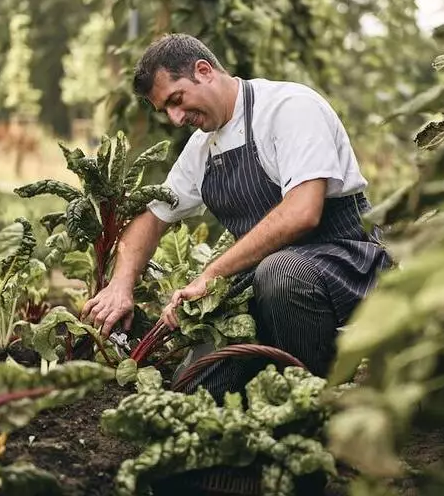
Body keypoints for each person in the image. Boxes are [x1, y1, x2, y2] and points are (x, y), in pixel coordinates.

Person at [81, 33, 391, 400]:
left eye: (176, 100)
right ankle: (270, 385)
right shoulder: (201, 148)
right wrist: (120, 285)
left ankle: (318, 398)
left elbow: (302, 212)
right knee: (194, 389)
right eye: (166, 110)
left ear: (204, 71)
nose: (176, 118)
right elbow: (152, 217)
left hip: (346, 261)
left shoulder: (289, 108)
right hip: (262, 281)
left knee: (281, 272)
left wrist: (210, 274)